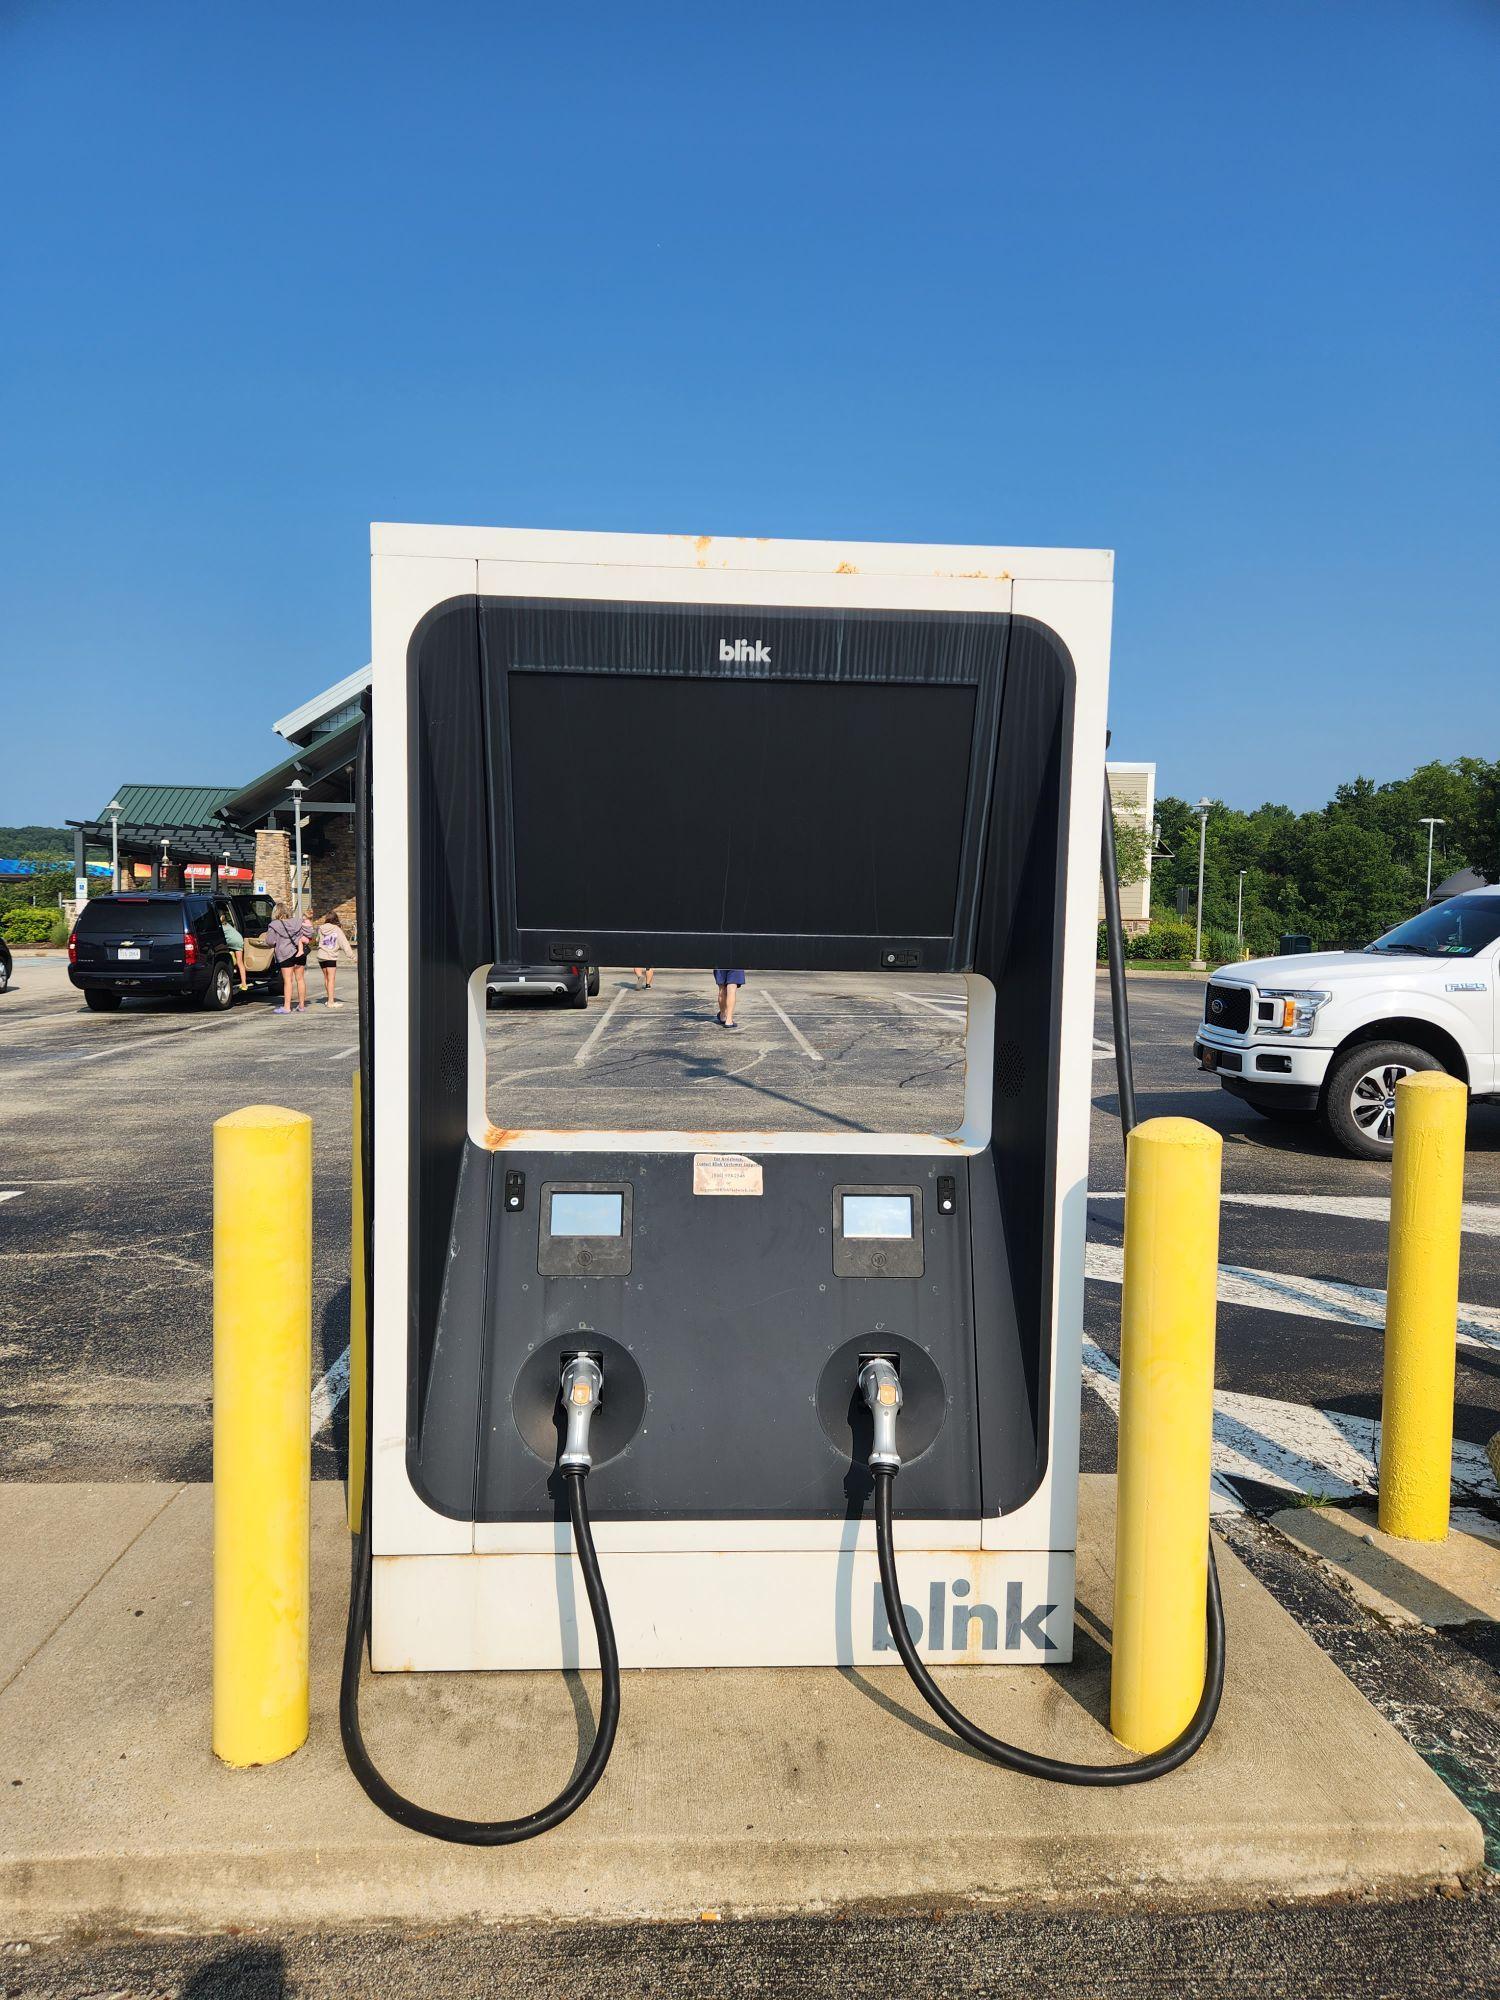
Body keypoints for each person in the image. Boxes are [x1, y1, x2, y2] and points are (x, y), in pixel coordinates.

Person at [266, 903, 314, 1014]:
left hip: (285, 955)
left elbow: (269, 941)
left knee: (288, 981)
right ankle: (301, 1006)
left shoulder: (274, 925)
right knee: (300, 979)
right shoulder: (297, 921)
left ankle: (287, 1007)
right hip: (299, 952)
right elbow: (310, 933)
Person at [314, 911, 356, 1007]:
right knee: (331, 979)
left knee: (326, 978)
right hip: (331, 956)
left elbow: (317, 940)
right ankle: (331, 1002)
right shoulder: (336, 929)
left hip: (321, 955)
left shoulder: (321, 928)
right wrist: (352, 956)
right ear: (335, 919)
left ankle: (329, 999)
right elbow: (344, 943)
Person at [218, 903, 248, 992]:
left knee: (234, 958)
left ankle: (233, 967)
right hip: (239, 940)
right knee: (240, 962)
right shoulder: (227, 924)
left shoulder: (221, 928)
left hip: (234, 942)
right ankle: (244, 984)